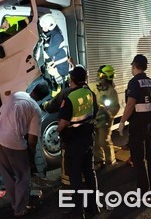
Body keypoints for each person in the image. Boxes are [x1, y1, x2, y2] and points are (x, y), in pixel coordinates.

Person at [0, 82, 49, 217]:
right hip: (14, 142)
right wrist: (31, 154)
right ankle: (20, 209)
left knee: (7, 174)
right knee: (23, 176)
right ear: (42, 98)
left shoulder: (16, 94)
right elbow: (32, 139)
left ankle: (14, 204)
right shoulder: (35, 109)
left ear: (33, 89)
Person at [57, 65, 100, 218]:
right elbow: (94, 112)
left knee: (75, 178)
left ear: (72, 79)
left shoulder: (69, 97)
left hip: (74, 143)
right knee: (89, 173)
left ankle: (77, 212)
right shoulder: (90, 93)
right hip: (88, 139)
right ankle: (93, 207)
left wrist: (59, 128)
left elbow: (62, 123)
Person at [118, 55, 151, 194]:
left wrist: (122, 121)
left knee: (138, 158)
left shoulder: (134, 82)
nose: (131, 69)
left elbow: (131, 103)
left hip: (138, 124)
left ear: (135, 66)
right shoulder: (149, 81)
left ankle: (143, 190)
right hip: (150, 122)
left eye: (132, 66)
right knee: (150, 155)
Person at [94, 65, 120, 170]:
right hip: (95, 118)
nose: (99, 77)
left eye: (102, 75)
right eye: (99, 75)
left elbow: (116, 107)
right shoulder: (95, 88)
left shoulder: (112, 92)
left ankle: (110, 159)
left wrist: (108, 113)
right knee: (95, 141)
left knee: (103, 140)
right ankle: (99, 160)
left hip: (105, 119)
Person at [39, 14, 69, 89]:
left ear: (51, 25)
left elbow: (48, 53)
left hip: (60, 70)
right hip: (56, 68)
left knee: (59, 90)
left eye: (44, 26)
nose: (43, 28)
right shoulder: (52, 34)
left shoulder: (56, 36)